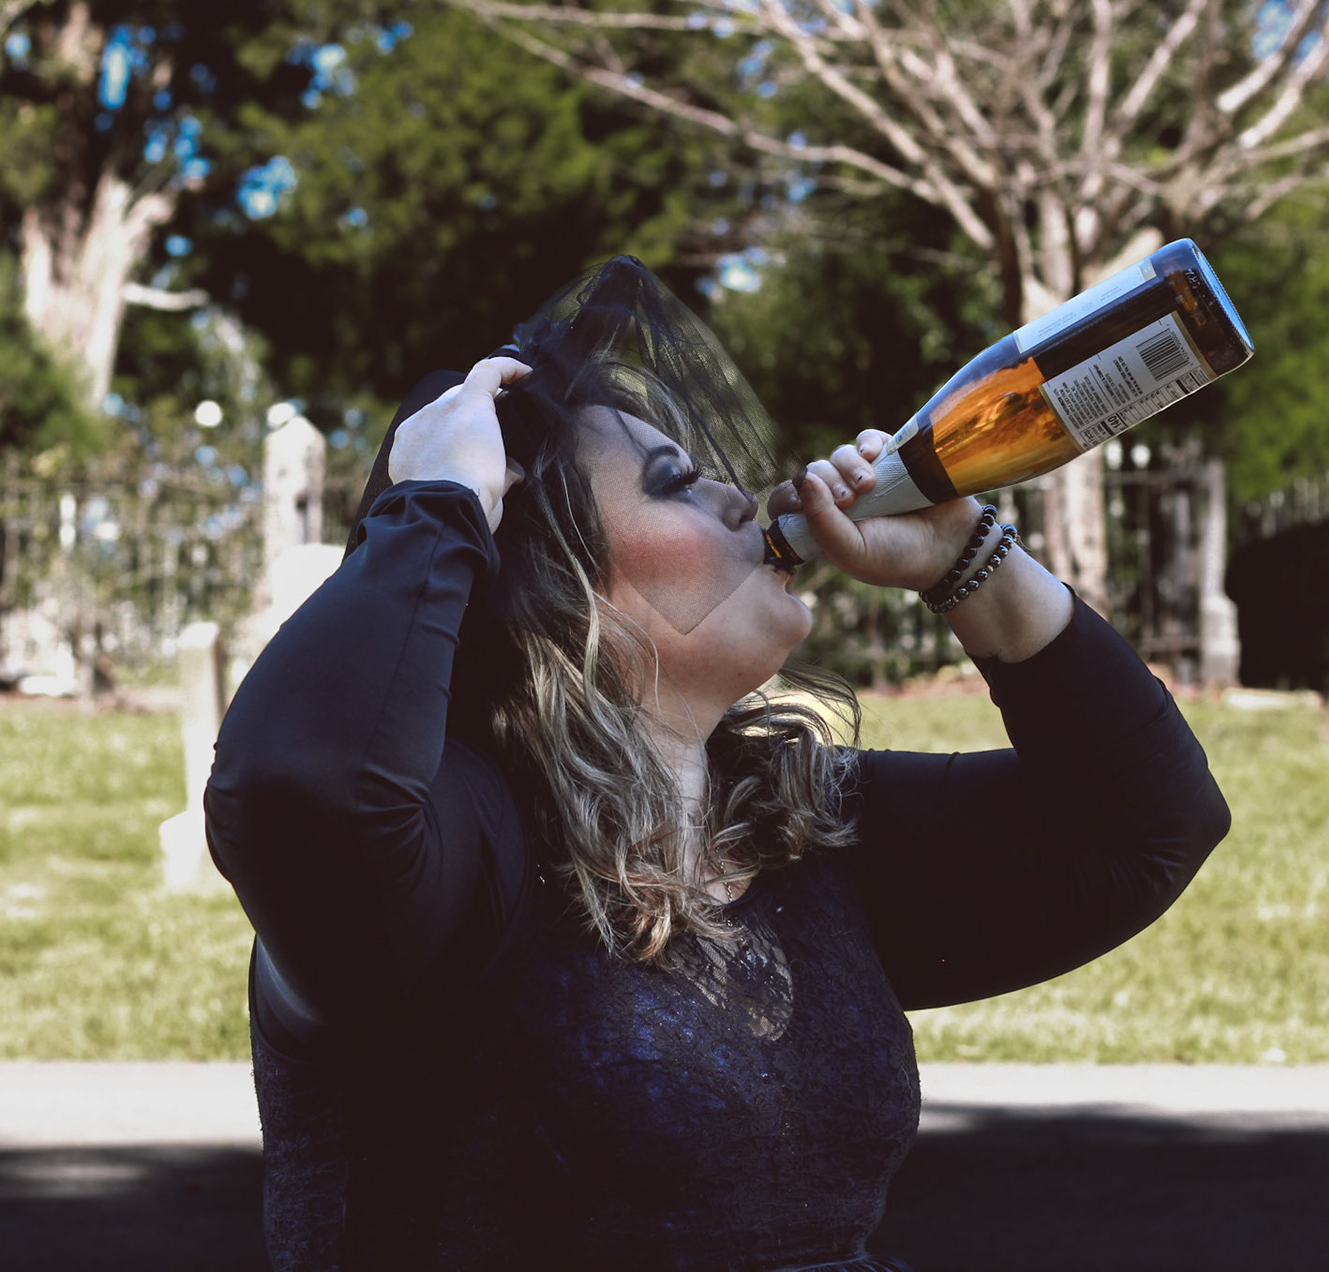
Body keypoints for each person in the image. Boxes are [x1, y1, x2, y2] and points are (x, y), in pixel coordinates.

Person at [206, 257, 1231, 1271]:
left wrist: (968, 559)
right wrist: (440, 498)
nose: (744, 500)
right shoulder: (455, 861)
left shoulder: (802, 830)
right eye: (674, 484)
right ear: (557, 589)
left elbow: (1142, 828)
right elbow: (301, 782)